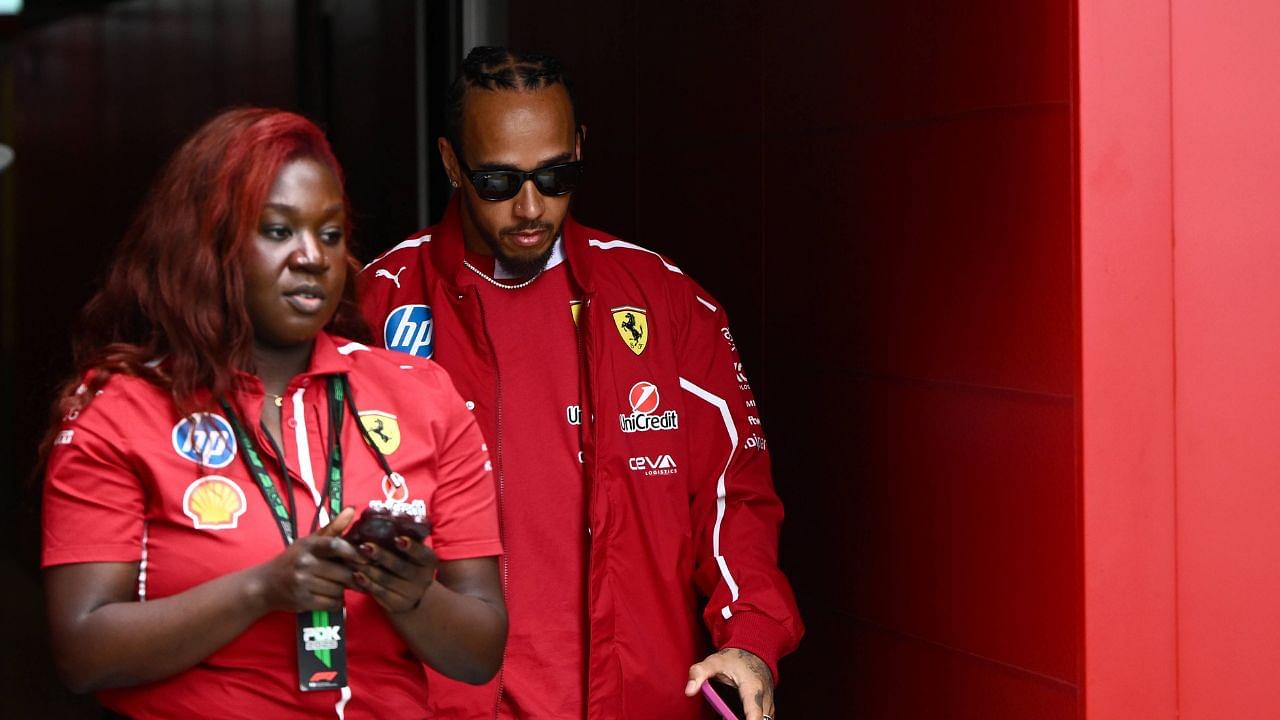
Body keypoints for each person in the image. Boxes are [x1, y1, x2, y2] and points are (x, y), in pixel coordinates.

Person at [359, 47, 803, 720]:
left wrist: (750, 641)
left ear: (579, 148)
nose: (532, 207)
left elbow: (733, 496)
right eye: (500, 182)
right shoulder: (375, 308)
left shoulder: (666, 303)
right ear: (452, 165)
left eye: (557, 175)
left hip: (633, 701)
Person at [40, 107, 507, 719]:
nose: (313, 256)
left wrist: (412, 595)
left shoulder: (422, 396)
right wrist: (264, 589)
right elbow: (82, 652)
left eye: (331, 234)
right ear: (209, 245)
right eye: (279, 231)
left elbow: (480, 652)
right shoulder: (120, 413)